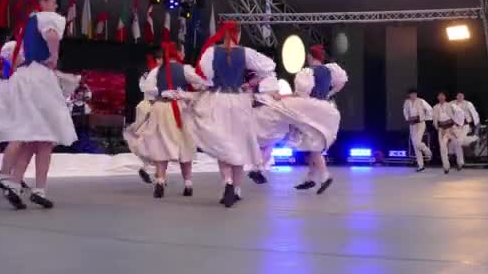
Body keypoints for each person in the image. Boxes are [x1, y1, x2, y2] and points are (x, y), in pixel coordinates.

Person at [0, 0, 77, 209]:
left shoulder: (29, 23)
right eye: (54, 2)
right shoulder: (47, 17)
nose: (56, 7)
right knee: (45, 138)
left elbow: (18, 59)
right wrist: (54, 57)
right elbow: (53, 35)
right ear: (45, 1)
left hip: (25, 76)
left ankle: (15, 184)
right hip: (40, 79)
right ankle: (38, 188)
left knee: (30, 135)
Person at [187, 21, 276, 208]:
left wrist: (215, 81)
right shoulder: (246, 53)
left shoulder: (212, 52)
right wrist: (252, 83)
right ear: (238, 33)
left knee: (222, 143)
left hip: (218, 100)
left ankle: (226, 182)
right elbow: (269, 67)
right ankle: (236, 189)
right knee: (238, 144)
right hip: (238, 101)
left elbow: (206, 76)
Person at [124, 42, 209, 199]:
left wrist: (162, 92)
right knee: (185, 145)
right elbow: (201, 83)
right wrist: (188, 94)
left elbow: (148, 89)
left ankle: (160, 182)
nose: (183, 54)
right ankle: (188, 184)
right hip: (180, 109)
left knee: (160, 146)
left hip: (160, 108)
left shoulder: (156, 71)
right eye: (182, 51)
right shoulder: (185, 69)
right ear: (178, 52)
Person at [292, 44, 348, 194]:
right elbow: (341, 82)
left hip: (313, 109)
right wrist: (329, 93)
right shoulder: (330, 70)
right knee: (312, 145)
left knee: (314, 144)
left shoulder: (308, 72)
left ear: (310, 57)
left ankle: (324, 176)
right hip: (325, 107)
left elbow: (303, 93)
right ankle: (311, 178)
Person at [133, 50, 163, 184]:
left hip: (152, 106)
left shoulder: (155, 74)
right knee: (152, 140)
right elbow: (144, 88)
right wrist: (162, 89)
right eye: (160, 59)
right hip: (150, 107)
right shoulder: (151, 74)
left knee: (156, 141)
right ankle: (156, 173)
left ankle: (156, 172)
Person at [432, 92, 465, 174]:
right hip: (442, 129)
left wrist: (457, 123)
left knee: (457, 144)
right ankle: (446, 166)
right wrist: (438, 127)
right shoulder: (435, 107)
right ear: (437, 97)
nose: (441, 97)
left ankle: (460, 162)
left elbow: (460, 112)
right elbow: (435, 120)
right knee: (443, 148)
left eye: (443, 96)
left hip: (451, 128)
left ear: (445, 97)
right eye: (439, 96)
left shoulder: (451, 105)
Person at [402, 88, 433, 172]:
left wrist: (424, 118)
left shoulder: (421, 101)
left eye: (414, 94)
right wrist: (408, 119)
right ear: (409, 95)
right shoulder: (407, 102)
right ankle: (421, 165)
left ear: (416, 94)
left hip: (420, 124)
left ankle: (427, 151)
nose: (413, 95)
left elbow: (430, 109)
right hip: (412, 124)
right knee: (415, 145)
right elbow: (405, 111)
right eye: (411, 94)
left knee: (417, 142)